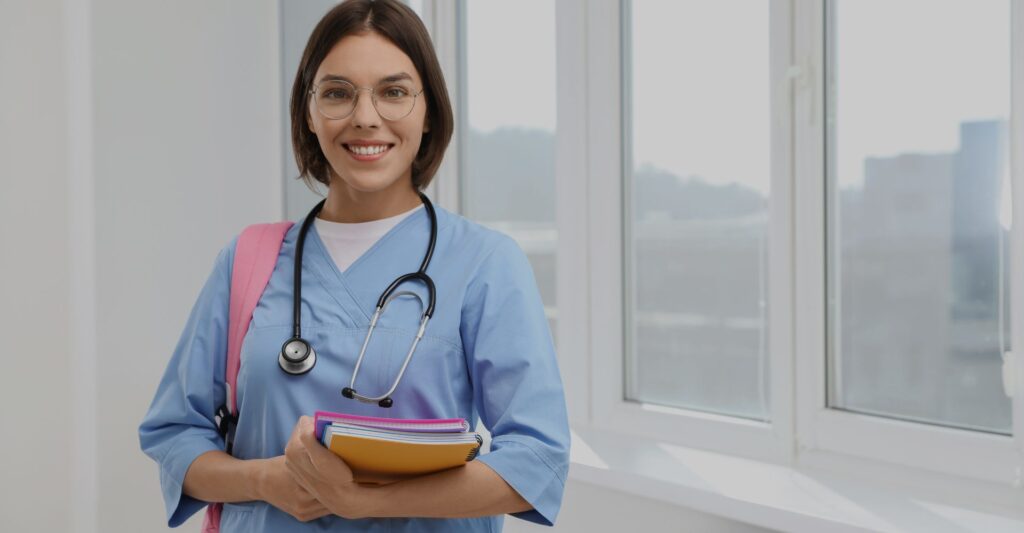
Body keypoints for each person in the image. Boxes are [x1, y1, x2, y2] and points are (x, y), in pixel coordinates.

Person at [137, 0, 571, 531]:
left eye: (394, 92)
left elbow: (535, 459)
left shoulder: (485, 264)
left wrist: (367, 501)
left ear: (428, 110)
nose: (366, 117)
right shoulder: (249, 260)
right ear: (309, 112)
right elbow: (175, 435)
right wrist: (263, 480)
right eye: (339, 93)